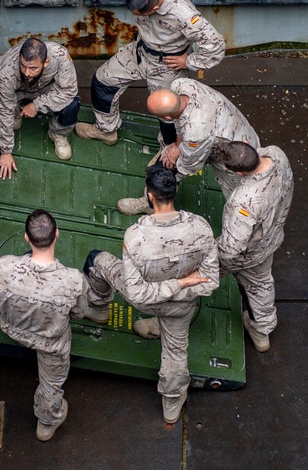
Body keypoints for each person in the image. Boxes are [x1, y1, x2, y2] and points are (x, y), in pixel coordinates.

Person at [83, 165, 218, 424]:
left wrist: (173, 285)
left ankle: (98, 307)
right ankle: (171, 402)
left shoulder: (136, 237)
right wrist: (182, 284)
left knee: (96, 260)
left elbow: (138, 293)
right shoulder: (201, 228)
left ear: (149, 195)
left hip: (148, 301)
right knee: (176, 354)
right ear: (175, 190)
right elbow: (209, 283)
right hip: (182, 307)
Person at [75, 0, 224, 147]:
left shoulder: (183, 14)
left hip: (168, 64)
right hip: (140, 51)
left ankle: (169, 150)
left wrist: (188, 62)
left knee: (167, 112)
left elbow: (215, 45)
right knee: (103, 80)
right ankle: (106, 130)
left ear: (155, 7)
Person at [0, 209, 91, 441]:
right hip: (52, 342)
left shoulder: (3, 268)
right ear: (57, 234)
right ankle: (46, 424)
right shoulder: (73, 280)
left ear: (27, 238)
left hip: (13, 330)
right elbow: (79, 314)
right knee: (51, 385)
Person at [117, 78, 260, 215]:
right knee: (162, 167)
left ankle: (244, 229)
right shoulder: (181, 85)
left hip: (236, 155)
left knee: (238, 198)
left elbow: (189, 165)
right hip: (225, 131)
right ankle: (151, 204)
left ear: (167, 118)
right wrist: (178, 145)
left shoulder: (196, 132)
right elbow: (180, 122)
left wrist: (174, 159)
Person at [211, 140, 294, 352]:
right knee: (260, 286)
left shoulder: (244, 202)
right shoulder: (278, 154)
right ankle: (261, 333)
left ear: (238, 174)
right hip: (270, 241)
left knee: (190, 274)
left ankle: (164, 321)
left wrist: (205, 254)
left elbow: (230, 249)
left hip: (245, 253)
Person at [0, 38, 80, 179]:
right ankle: (17, 111)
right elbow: (4, 109)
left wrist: (36, 105)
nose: (27, 73)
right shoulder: (7, 70)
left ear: (45, 63)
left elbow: (68, 90)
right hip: (12, 91)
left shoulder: (60, 55)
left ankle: (58, 133)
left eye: (33, 68)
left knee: (71, 104)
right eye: (23, 66)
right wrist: (5, 151)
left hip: (43, 88)